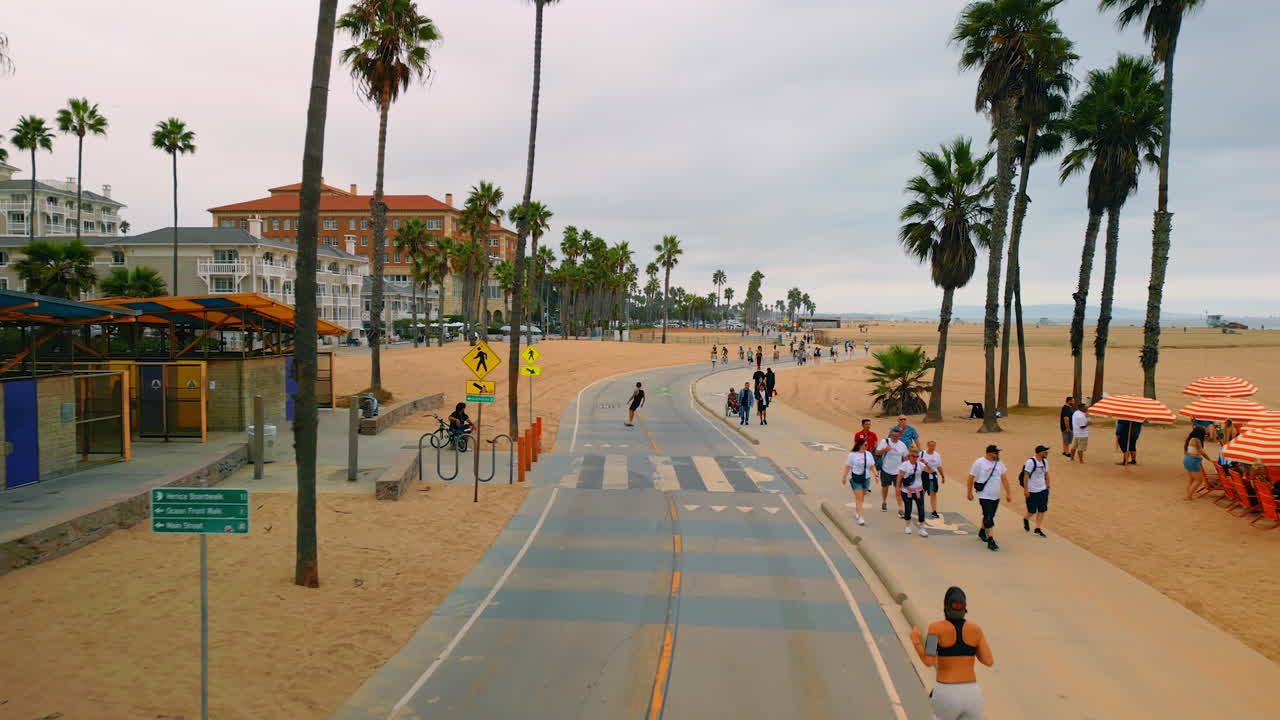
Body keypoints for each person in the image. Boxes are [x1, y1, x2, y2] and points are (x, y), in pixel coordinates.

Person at [910, 587, 994, 720]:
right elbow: (988, 661)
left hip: (946, 692)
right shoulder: (976, 630)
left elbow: (928, 661)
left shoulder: (935, 629)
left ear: (945, 607)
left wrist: (916, 641)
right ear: (964, 608)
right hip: (972, 694)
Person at [967, 444, 1013, 551]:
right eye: (996, 453)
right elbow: (970, 478)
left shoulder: (999, 463)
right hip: (984, 495)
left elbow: (1004, 479)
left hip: (995, 495)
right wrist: (969, 492)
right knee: (989, 517)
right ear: (989, 453)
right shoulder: (979, 462)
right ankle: (991, 540)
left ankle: (982, 531)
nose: (997, 454)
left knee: (989, 515)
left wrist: (1008, 493)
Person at [841, 438, 876, 525]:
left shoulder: (868, 454)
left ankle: (858, 510)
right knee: (859, 498)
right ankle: (861, 517)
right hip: (855, 478)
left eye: (867, 445)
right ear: (860, 445)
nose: (867, 446)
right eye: (865, 445)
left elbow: (872, 466)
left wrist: (876, 475)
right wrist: (844, 477)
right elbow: (847, 466)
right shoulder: (852, 455)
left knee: (862, 496)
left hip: (866, 478)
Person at [876, 427, 908, 515]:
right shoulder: (885, 442)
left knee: (898, 491)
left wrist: (907, 469)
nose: (894, 438)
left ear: (900, 435)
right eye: (893, 435)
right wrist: (884, 450)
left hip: (897, 472)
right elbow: (877, 453)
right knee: (885, 488)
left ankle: (901, 508)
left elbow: (905, 458)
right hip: (885, 469)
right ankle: (884, 501)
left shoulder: (902, 445)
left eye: (896, 436)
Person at [896, 448, 928, 536]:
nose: (915, 458)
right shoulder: (904, 465)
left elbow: (931, 471)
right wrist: (898, 488)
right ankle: (907, 526)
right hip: (907, 491)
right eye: (913, 456)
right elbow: (899, 477)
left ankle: (922, 528)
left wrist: (926, 463)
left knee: (921, 509)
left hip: (918, 490)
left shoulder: (921, 465)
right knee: (908, 508)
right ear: (909, 456)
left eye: (917, 456)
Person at [1021, 445, 1051, 537]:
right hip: (1032, 490)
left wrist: (1048, 485)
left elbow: (1046, 473)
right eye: (1045, 452)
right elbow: (1026, 476)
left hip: (1043, 489)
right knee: (1032, 511)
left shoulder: (1045, 462)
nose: (1047, 453)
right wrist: (1026, 490)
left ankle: (1037, 528)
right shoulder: (1030, 462)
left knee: (1042, 510)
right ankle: (1026, 518)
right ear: (1040, 453)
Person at [1183, 426, 1211, 499]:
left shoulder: (1190, 439)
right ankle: (1189, 496)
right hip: (1193, 460)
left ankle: (1188, 494)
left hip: (1187, 459)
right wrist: (1209, 459)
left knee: (1192, 479)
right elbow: (1202, 452)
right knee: (1199, 480)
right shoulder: (1197, 440)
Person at [921, 439, 946, 519]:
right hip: (923, 475)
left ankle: (934, 511)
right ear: (927, 445)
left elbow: (939, 466)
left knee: (933, 493)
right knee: (922, 493)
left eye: (933, 446)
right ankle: (921, 508)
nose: (932, 447)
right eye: (930, 445)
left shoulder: (937, 455)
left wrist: (942, 476)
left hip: (933, 476)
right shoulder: (922, 454)